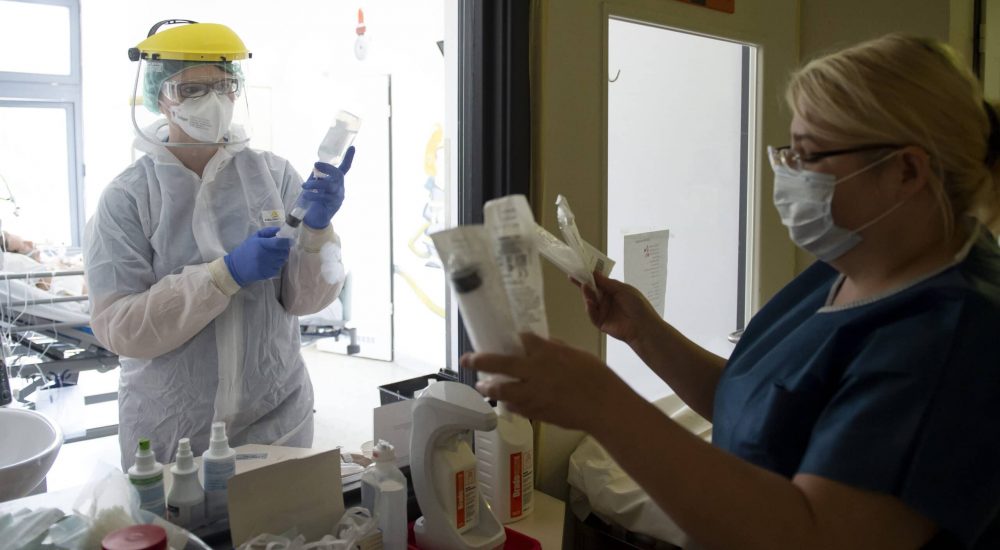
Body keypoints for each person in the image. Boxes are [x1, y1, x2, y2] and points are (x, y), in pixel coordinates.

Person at [463, 34, 1000, 549]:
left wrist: (600, 401)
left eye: (809, 156)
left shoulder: (952, 337)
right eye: (788, 152)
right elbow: (762, 410)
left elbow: (814, 537)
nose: (788, 174)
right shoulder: (855, 262)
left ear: (906, 170)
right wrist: (645, 333)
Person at [85, 20, 353, 468]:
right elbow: (120, 329)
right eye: (191, 89)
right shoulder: (128, 197)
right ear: (160, 97)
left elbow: (306, 301)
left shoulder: (274, 176)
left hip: (278, 421)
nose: (212, 100)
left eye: (223, 85)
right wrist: (223, 276)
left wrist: (317, 232)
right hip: (174, 434)